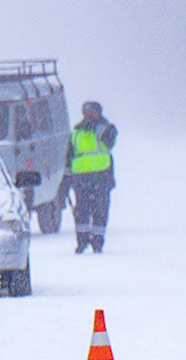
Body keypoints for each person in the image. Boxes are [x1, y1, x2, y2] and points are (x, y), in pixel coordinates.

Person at [66, 101, 118, 253]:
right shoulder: (76, 131)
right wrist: (66, 180)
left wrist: (97, 128)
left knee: (100, 211)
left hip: (101, 177)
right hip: (81, 179)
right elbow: (69, 156)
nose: (90, 116)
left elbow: (110, 141)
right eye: (87, 113)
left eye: (93, 113)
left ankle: (97, 242)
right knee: (81, 211)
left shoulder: (107, 128)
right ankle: (82, 241)